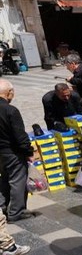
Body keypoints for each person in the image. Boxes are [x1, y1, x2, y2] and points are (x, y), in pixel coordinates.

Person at [0, 79, 35, 222]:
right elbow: (20, 135)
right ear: (9, 93)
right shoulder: (11, 110)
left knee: (4, 179)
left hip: (1, 153)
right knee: (17, 180)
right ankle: (16, 212)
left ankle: (2, 207)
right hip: (12, 152)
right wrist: (28, 152)